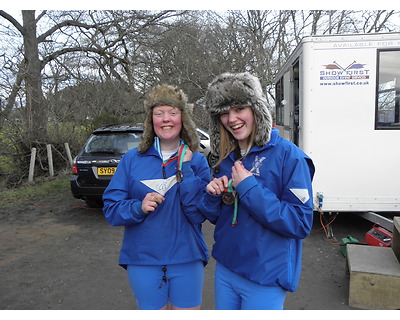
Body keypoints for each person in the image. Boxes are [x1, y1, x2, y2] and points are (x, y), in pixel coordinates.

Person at [198, 72, 315, 310]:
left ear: (257, 110)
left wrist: (249, 188)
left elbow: (299, 222)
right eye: (224, 112)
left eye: (239, 108)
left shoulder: (289, 156)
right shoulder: (226, 157)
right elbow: (216, 216)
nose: (232, 119)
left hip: (265, 277)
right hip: (226, 269)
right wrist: (212, 196)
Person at [103, 84, 210, 310]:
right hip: (142, 260)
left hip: (187, 257)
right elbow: (111, 209)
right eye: (158, 113)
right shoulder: (132, 159)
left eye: (173, 112)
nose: (166, 119)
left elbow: (200, 214)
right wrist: (138, 207)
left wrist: (187, 169)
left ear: (184, 118)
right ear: (151, 121)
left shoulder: (198, 161)